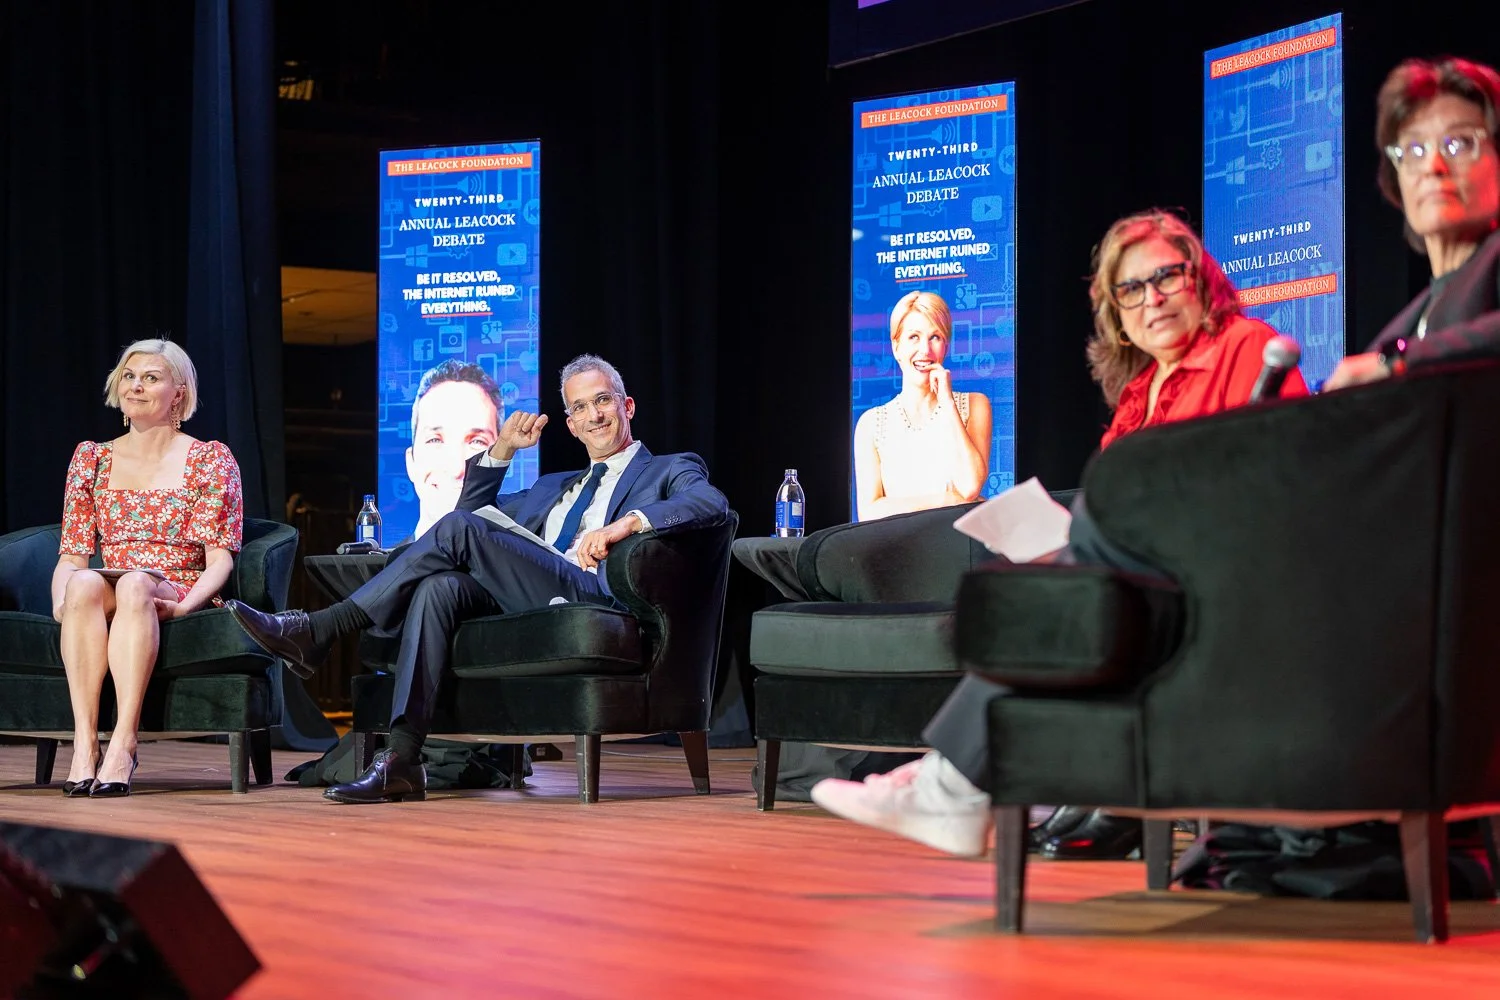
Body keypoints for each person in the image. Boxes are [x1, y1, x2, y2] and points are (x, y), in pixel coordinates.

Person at [810, 208, 1308, 859]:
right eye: (1131, 289)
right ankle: (953, 784)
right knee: (1041, 593)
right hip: (1143, 587)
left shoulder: (1246, 348)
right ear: (1116, 311)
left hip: (1215, 587)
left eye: (1167, 277)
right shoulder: (1139, 391)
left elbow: (1281, 486)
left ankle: (949, 785)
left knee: (1059, 605)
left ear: (1201, 279)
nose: (1153, 299)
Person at [227, 353, 729, 803]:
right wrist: (503, 449)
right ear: (571, 424)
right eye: (580, 407)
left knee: (459, 533)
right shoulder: (552, 487)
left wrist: (627, 524)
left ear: (627, 406)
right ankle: (402, 759)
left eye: (602, 400)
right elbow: (466, 514)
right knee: (438, 588)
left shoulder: (668, 469)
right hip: (533, 596)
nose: (594, 414)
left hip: (594, 596)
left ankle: (321, 628)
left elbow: (711, 503)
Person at [51, 339, 244, 797]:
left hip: (174, 583)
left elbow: (219, 559)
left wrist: (186, 607)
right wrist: (63, 602)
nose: (135, 386)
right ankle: (84, 743)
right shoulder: (92, 458)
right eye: (129, 376)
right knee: (84, 584)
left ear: (178, 393)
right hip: (111, 582)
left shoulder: (209, 459)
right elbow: (72, 556)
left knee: (136, 583)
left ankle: (124, 743)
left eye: (151, 378)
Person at [1326, 56, 1500, 391]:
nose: (1433, 166)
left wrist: (1399, 363)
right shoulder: (1403, 326)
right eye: (1415, 150)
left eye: (1459, 143)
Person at [405, 360, 503, 540]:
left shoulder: (528, 557)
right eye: (435, 440)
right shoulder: (388, 560)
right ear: (411, 462)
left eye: (477, 441)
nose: (456, 468)